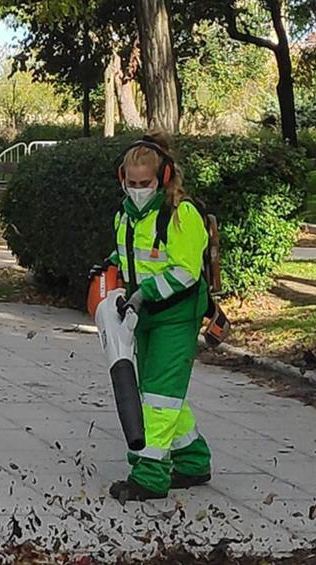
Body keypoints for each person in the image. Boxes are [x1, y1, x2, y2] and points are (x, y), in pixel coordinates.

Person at [91, 132, 213, 502]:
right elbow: (128, 256)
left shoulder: (180, 215)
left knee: (159, 397)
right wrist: (108, 272)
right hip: (142, 315)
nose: (138, 189)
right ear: (121, 179)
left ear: (162, 178)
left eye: (145, 183)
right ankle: (192, 460)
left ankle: (149, 474)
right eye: (132, 183)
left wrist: (144, 293)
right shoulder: (125, 216)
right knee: (162, 393)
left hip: (175, 315)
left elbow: (187, 271)